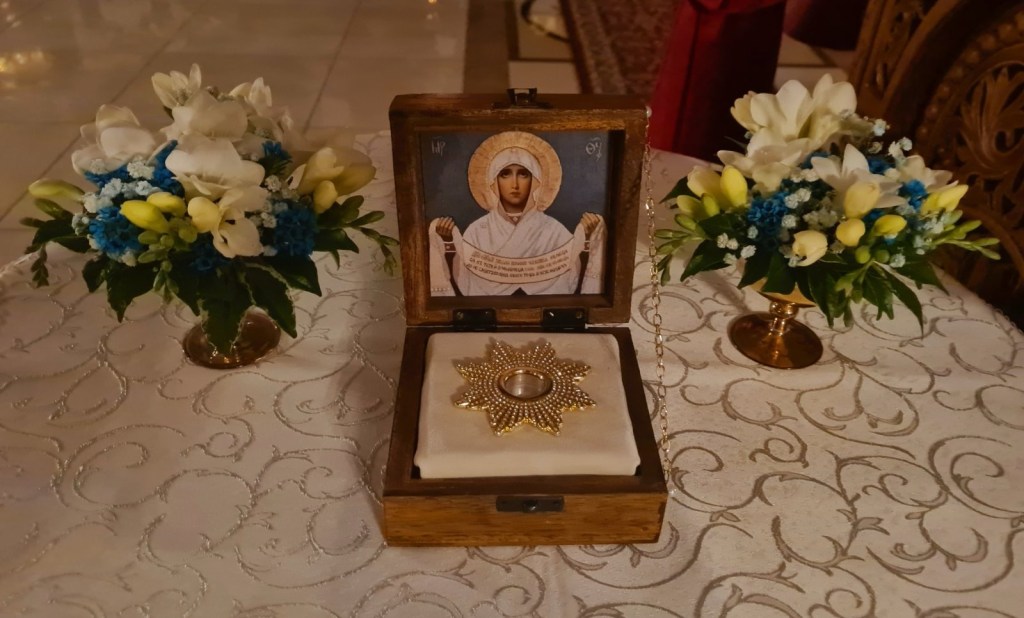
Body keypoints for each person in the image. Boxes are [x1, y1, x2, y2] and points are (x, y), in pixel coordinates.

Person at [427, 131, 605, 296]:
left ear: (535, 181)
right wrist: (447, 241)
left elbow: (570, 281)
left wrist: (588, 237)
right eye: (505, 174)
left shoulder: (554, 231)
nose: (515, 184)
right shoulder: (477, 231)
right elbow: (465, 282)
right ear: (493, 182)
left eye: (523, 174)